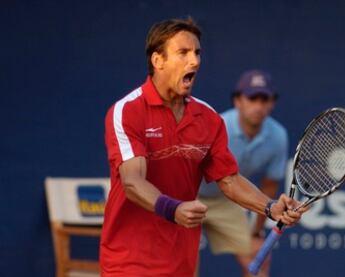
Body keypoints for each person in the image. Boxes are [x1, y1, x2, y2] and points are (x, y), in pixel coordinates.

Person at [100, 17, 307, 277]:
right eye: (183, 53)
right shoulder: (128, 111)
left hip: (180, 262)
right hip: (129, 262)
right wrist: (173, 209)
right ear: (157, 60)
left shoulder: (208, 119)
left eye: (197, 53)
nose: (195, 61)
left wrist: (270, 207)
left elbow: (229, 180)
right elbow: (132, 182)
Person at [198, 69, 287, 277]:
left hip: (227, 198)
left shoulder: (278, 137)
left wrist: (256, 232)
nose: (258, 105)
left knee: (257, 257)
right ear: (238, 101)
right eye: (252, 98)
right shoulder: (218, 126)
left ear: (272, 103)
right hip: (190, 195)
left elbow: (268, 186)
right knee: (185, 259)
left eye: (264, 99)